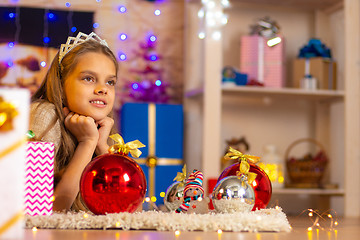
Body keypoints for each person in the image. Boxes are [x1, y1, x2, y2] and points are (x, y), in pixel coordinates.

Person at [30, 32, 118, 212]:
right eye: (88, 78)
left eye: (110, 82)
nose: (102, 89)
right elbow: (43, 211)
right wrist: (87, 143)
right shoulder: (44, 114)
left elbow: (131, 210)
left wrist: (102, 149)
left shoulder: (100, 126)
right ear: (61, 84)